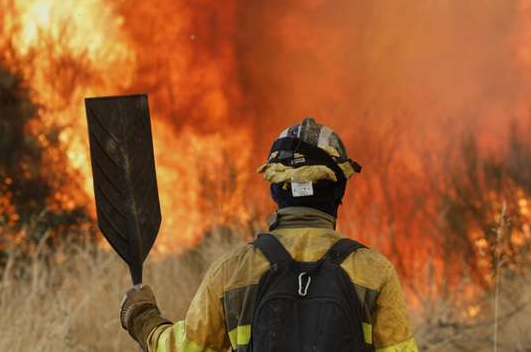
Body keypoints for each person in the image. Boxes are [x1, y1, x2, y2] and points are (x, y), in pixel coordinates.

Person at [120, 117, 418, 352]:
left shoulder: (234, 271)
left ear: (276, 190)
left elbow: (186, 349)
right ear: (338, 191)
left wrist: (143, 316)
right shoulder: (374, 272)